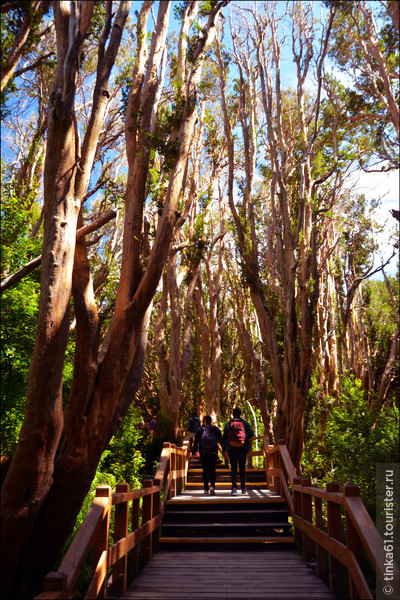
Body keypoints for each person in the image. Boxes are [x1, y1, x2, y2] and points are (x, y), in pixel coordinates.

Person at [222, 407, 254, 496]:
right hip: (243, 448)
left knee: (233, 468)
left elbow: (224, 437)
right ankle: (243, 488)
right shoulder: (245, 423)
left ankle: (234, 489)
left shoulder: (229, 424)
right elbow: (251, 434)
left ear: (233, 414)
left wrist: (224, 449)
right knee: (242, 468)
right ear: (240, 414)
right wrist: (244, 439)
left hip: (231, 448)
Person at [191, 415, 222, 495]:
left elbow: (195, 443)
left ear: (204, 421)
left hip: (203, 452)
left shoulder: (200, 430)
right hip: (213, 452)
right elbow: (221, 440)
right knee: (212, 469)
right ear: (211, 421)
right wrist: (224, 451)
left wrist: (193, 453)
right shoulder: (215, 429)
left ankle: (205, 488)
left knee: (205, 470)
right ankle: (212, 486)